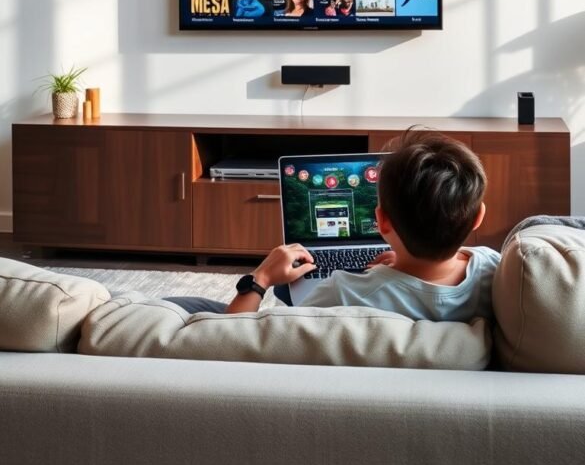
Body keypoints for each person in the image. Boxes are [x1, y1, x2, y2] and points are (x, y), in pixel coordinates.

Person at [164, 129, 500, 321]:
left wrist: (260, 278)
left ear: (381, 221)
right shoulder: (496, 270)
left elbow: (238, 337)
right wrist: (406, 265)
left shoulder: (344, 292)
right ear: (477, 217)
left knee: (279, 288)